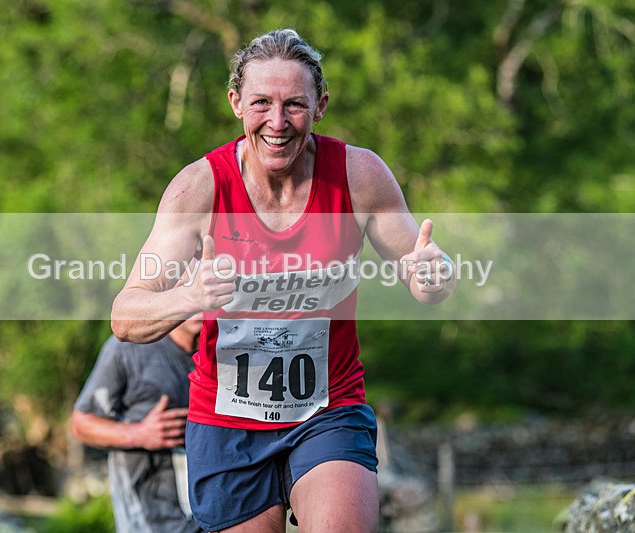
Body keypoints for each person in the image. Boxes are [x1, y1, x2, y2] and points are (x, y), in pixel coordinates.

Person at [111, 29, 456, 532]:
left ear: (320, 106)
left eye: (294, 104)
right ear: (235, 103)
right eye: (261, 103)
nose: (277, 122)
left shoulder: (358, 177)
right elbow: (126, 316)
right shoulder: (198, 189)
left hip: (327, 411)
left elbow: (422, 272)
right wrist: (192, 295)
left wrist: (433, 275)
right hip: (227, 422)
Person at [71, 318, 204, 533]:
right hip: (146, 522)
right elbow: (81, 423)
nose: (201, 304)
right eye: (193, 288)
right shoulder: (129, 347)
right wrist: (139, 434)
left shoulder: (228, 349)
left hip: (209, 521)